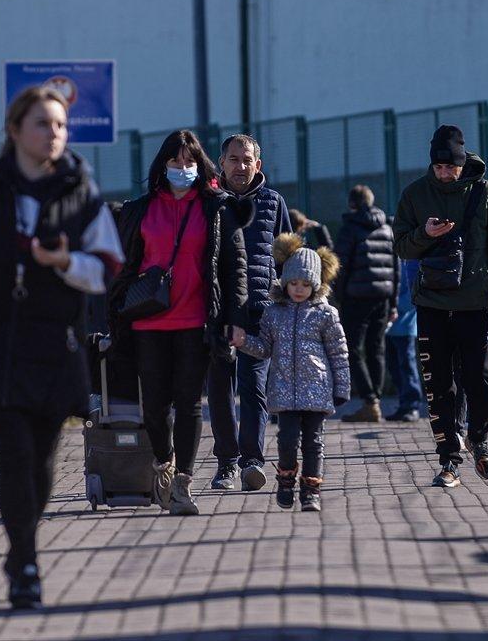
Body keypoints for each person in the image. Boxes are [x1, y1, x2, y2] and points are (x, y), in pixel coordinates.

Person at [0, 85, 123, 609]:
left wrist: (64, 264)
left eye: (59, 126)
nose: (53, 134)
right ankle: (27, 564)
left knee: (43, 459)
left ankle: (19, 550)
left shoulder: (82, 191)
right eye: (41, 124)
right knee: (12, 452)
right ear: (14, 131)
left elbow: (106, 268)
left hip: (54, 345)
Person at [109, 130, 248, 516]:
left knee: (188, 403)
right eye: (175, 163)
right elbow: (123, 264)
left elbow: (235, 268)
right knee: (154, 406)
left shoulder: (216, 208)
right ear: (163, 166)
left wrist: (236, 320)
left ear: (200, 166)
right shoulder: (141, 208)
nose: (183, 169)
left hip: (196, 320)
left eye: (189, 163)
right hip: (148, 323)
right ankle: (163, 463)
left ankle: (182, 482)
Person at [394, 125, 488, 488]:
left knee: (480, 378)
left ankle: (479, 442)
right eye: (439, 167)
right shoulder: (416, 195)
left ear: (464, 163)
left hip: (476, 302)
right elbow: (402, 246)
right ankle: (449, 459)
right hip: (431, 302)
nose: (446, 173)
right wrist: (425, 235)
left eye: (452, 167)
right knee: (439, 384)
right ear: (431, 165)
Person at [233, 233, 350, 512]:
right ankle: (286, 480)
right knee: (286, 441)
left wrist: (342, 387)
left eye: (306, 284)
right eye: (294, 283)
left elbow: (338, 352)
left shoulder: (326, 314)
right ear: (285, 283)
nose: (299, 289)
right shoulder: (274, 313)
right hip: (283, 391)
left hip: (317, 390)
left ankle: (311, 491)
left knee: (313, 443)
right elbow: (264, 348)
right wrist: (242, 342)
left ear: (316, 285)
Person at [208, 134, 290, 491]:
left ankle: (251, 461)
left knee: (254, 387)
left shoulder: (273, 202)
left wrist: (288, 302)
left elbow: (289, 256)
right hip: (216, 310)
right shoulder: (209, 203)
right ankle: (226, 464)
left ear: (258, 165)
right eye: (233, 159)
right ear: (221, 163)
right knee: (219, 390)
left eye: (247, 160)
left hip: (259, 312)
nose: (240, 166)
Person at [333, 185, 398, 422]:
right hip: (382, 296)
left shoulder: (350, 228)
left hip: (356, 298)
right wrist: (393, 303)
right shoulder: (387, 228)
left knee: (352, 349)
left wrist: (339, 298)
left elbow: (339, 266)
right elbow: (395, 267)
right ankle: (376, 401)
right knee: (376, 348)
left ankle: (369, 401)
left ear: (352, 204)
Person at [386, 259, 424, 422]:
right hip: (388, 328)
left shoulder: (410, 264)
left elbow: (411, 298)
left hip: (405, 328)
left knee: (407, 366)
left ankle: (412, 406)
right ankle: (403, 404)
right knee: (394, 368)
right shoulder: (392, 263)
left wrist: (391, 307)